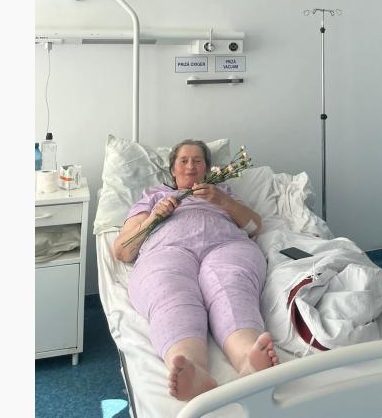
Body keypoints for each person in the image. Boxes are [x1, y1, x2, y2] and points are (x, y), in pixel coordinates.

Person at [112, 139, 279, 401]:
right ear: (173, 169)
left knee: (232, 287)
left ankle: (249, 358)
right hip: (168, 250)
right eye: (184, 161)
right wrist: (155, 217)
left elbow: (255, 227)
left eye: (197, 161)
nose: (190, 166)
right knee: (169, 292)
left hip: (226, 245)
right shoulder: (154, 196)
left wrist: (222, 201)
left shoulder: (223, 192)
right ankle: (192, 368)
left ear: (207, 169)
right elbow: (123, 250)